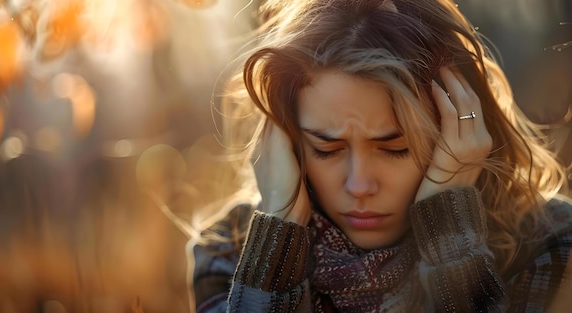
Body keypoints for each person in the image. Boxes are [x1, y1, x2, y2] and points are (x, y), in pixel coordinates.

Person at [189, 0, 572, 311]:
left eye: (395, 148)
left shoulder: (547, 242)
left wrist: (452, 236)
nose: (359, 185)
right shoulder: (230, 251)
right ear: (287, 142)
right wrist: (275, 248)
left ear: (459, 133)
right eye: (327, 149)